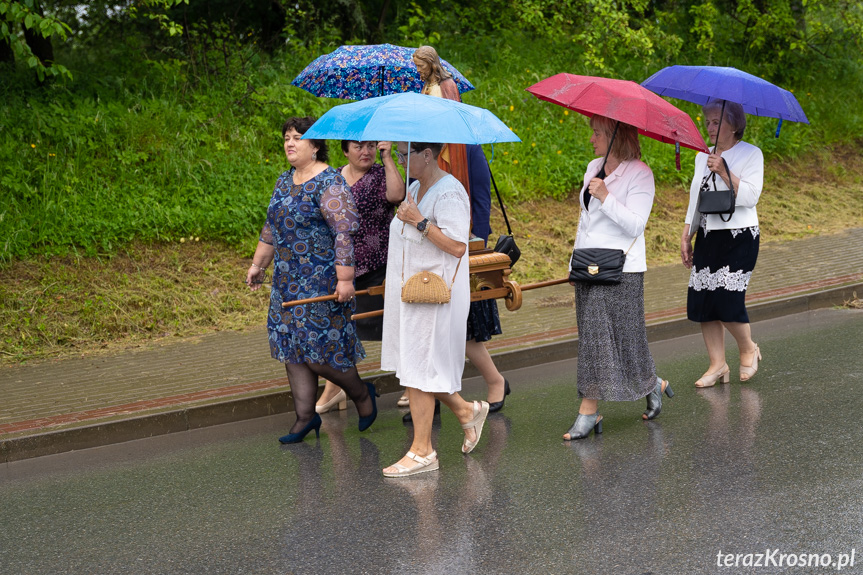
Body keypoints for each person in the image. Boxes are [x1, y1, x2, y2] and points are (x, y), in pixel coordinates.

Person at [245, 116, 377, 444]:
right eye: (286, 137)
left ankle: (362, 393)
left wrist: (345, 280)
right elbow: (271, 227)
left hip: (322, 282)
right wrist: (258, 264)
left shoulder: (329, 181)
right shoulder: (283, 181)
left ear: (315, 145)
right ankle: (305, 418)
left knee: (319, 353)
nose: (290, 143)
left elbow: (343, 232)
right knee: (292, 349)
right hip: (286, 282)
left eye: (297, 137)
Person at [401, 46, 509, 415]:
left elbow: (477, 202)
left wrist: (475, 236)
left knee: (464, 330)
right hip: (434, 264)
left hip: (460, 251)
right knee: (452, 333)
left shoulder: (463, 157)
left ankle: (492, 383)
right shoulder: (424, 172)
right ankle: (431, 396)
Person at [380, 141, 489, 477]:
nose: (400, 159)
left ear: (427, 155)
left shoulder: (450, 192)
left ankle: (423, 450)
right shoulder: (415, 186)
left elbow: (458, 246)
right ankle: (466, 410)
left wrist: (420, 221)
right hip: (412, 293)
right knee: (414, 365)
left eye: (404, 154)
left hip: (435, 294)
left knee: (420, 367)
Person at [563, 115, 673, 440]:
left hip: (622, 269)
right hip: (589, 265)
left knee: (599, 337)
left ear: (615, 137)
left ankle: (589, 411)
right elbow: (584, 222)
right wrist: (573, 262)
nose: (592, 139)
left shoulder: (640, 173)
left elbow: (636, 225)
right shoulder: (592, 167)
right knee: (622, 339)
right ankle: (652, 383)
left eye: (597, 133)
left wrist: (607, 197)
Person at [314, 139, 405, 414]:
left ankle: (413, 386)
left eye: (369, 146)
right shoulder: (334, 176)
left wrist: (388, 158)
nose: (365, 152)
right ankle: (337, 387)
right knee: (338, 328)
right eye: (357, 146)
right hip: (344, 268)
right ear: (345, 151)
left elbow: (396, 196)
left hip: (380, 265)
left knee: (396, 326)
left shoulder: (380, 173)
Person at [680, 100, 764, 387]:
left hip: (740, 236)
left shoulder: (752, 154)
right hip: (708, 234)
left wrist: (725, 171)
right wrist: (686, 233)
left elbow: (751, 197)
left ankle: (748, 348)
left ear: (734, 125)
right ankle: (717, 364)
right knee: (703, 300)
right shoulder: (701, 156)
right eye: (708, 121)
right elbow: (695, 197)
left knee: (727, 300)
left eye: (717, 122)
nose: (710, 127)